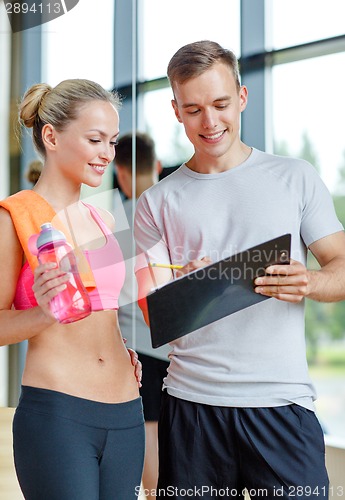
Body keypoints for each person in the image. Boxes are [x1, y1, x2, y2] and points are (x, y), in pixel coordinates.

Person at [134, 40, 345, 499]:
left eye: (220, 104)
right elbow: (154, 317)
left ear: (242, 98)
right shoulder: (156, 203)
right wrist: (186, 287)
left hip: (281, 404)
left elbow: (341, 266)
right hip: (192, 409)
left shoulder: (295, 177)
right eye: (192, 109)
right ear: (175, 110)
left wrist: (310, 281)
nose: (209, 122)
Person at [0, 79, 145, 500]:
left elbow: (104, 315)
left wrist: (120, 349)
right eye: (95, 139)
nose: (107, 153)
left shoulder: (103, 219)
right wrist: (43, 313)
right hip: (59, 414)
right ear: (51, 136)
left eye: (113, 142)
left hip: (126, 413)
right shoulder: (15, 216)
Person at [115, 132, 170, 500]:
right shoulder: (175, 214)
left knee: (150, 435)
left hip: (138, 349)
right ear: (158, 166)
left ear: (119, 173)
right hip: (179, 349)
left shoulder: (115, 223)